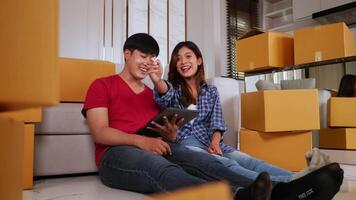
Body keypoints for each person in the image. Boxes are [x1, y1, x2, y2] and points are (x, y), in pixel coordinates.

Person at [148, 40, 344, 199]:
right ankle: (286, 188)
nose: (183, 61)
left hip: (211, 142)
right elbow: (164, 94)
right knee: (229, 166)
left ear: (199, 60)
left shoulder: (211, 90)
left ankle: (304, 178)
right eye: (178, 58)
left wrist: (216, 142)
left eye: (188, 56)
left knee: (250, 161)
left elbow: (217, 121)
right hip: (187, 144)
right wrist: (157, 80)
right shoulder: (174, 89)